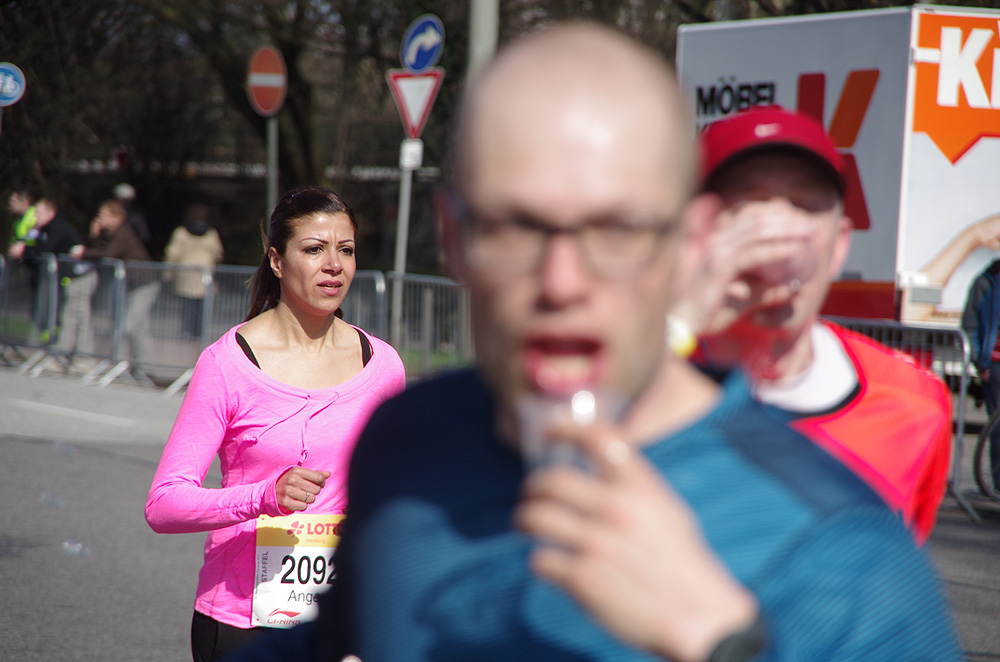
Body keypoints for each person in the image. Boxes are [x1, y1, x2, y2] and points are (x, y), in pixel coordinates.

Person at [232, 23, 959, 662]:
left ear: (692, 244)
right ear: (453, 238)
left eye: (616, 231)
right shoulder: (406, 442)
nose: (562, 282)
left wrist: (725, 645)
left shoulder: (843, 556)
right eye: (515, 227)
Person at [670, 105, 952, 545]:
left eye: (804, 206)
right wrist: (686, 316)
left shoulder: (914, 401)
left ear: (839, 245)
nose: (778, 236)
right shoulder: (640, 379)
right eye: (747, 206)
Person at [145, 187, 406, 662]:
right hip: (243, 621)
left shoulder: (383, 366)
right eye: (314, 249)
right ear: (277, 261)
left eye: (345, 250)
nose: (334, 265)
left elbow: (397, 496)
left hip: (342, 620)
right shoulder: (226, 364)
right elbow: (164, 504)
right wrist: (264, 497)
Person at [81, 199, 158, 366]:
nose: (98, 218)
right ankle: (141, 368)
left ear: (116, 218)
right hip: (132, 284)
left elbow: (108, 254)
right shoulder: (113, 234)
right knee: (138, 327)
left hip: (144, 284)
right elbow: (104, 251)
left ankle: (133, 366)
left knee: (130, 326)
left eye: (103, 215)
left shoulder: (123, 233)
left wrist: (83, 252)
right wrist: (96, 236)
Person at [9, 195, 88, 345]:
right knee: (47, 312)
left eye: (39, 212)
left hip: (75, 276)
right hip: (57, 277)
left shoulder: (58, 226)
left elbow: (47, 249)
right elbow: (37, 249)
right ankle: (50, 346)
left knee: (71, 315)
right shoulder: (41, 228)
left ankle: (63, 350)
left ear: (51, 211)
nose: (35, 216)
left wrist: (24, 250)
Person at [962, 257, 1000, 491]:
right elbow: (970, 323)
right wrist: (979, 360)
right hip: (995, 365)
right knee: (998, 427)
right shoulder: (986, 283)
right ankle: (999, 485)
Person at [164, 202, 225, 339]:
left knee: (187, 304)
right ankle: (200, 332)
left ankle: (187, 331)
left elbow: (173, 253)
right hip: (205, 272)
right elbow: (217, 252)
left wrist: (168, 272)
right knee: (202, 305)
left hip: (185, 272)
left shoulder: (181, 232)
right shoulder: (211, 232)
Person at [113, 182, 152, 249]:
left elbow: (144, 237)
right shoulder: (113, 214)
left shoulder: (136, 217)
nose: (119, 202)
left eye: (122, 200)